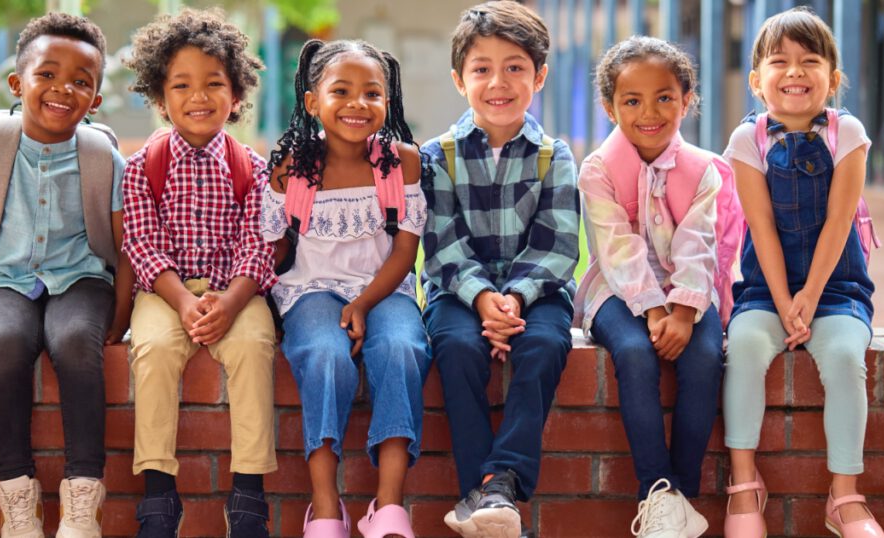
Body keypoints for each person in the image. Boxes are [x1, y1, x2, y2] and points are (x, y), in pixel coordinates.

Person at [0, 12, 129, 538]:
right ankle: (18, 498)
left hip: (81, 276)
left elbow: (127, 246)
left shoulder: (102, 153)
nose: (64, 89)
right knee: (8, 340)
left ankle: (84, 498)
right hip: (6, 278)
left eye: (82, 82)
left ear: (96, 98)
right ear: (18, 82)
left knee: (75, 341)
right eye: (48, 75)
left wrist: (121, 314)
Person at [722, 7, 883, 538]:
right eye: (779, 61)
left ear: (832, 79)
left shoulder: (848, 133)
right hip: (766, 291)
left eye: (809, 61)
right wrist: (784, 299)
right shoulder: (749, 140)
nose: (794, 72)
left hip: (835, 288)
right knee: (743, 347)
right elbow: (761, 229)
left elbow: (840, 222)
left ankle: (844, 496)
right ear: (757, 81)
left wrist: (810, 297)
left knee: (842, 356)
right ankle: (744, 485)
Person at [420, 2, 580, 537]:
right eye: (481, 69)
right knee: (459, 348)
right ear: (459, 80)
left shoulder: (553, 155)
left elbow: (558, 246)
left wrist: (514, 297)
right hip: (457, 292)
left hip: (537, 293)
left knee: (543, 346)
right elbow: (441, 245)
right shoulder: (436, 155)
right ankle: (495, 499)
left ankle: (497, 485)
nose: (498, 82)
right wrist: (484, 298)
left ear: (540, 75)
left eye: (515, 67)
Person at [262, 38, 430, 538]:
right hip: (309, 290)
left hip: (384, 290)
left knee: (401, 348)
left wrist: (363, 303)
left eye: (372, 94)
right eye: (341, 91)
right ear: (313, 102)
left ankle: (389, 505)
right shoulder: (294, 168)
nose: (358, 104)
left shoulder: (401, 163)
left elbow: (404, 253)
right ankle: (325, 505)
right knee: (324, 354)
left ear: (388, 101)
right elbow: (271, 250)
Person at [120, 8, 276, 537]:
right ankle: (160, 496)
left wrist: (230, 302)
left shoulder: (253, 168)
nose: (199, 96)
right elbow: (141, 244)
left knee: (255, 346)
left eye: (214, 84)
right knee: (156, 350)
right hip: (164, 293)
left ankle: (249, 494)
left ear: (236, 96)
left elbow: (259, 245)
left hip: (235, 290)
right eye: (182, 85)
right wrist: (184, 304)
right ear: (161, 99)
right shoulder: (142, 166)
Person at [576, 36, 737, 538]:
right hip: (617, 291)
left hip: (688, 287)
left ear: (686, 100)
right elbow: (616, 247)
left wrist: (686, 311)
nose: (650, 111)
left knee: (706, 356)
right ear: (609, 107)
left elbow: (698, 243)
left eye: (665, 97)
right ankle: (657, 490)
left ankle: (680, 500)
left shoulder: (703, 170)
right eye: (632, 100)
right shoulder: (598, 170)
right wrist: (651, 311)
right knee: (635, 353)